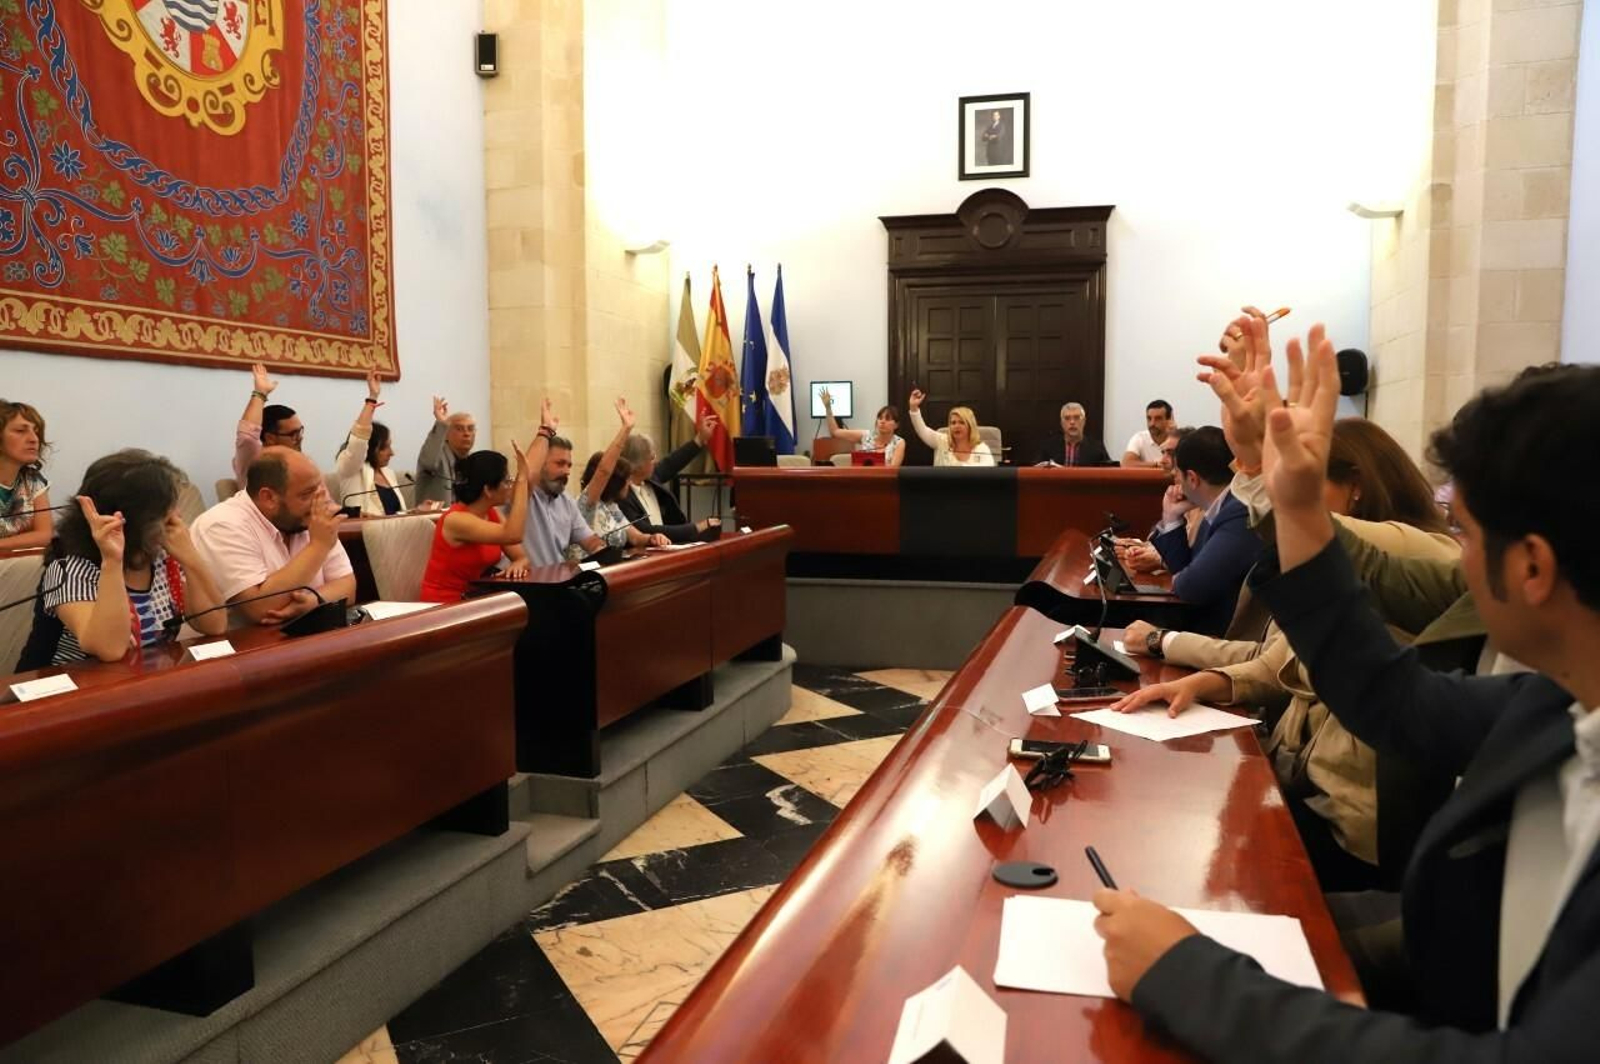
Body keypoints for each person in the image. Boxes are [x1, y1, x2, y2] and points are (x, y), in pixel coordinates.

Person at [1093, 337, 1600, 1063]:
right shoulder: (1556, 707)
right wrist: (1289, 493)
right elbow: (1389, 696)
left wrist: (1187, 973)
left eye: (1465, 534)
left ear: (1531, 567)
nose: (1457, 556)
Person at [1117, 417, 1460, 890]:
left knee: (1196, 857)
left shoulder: (1418, 550)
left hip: (1347, 821)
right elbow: (1278, 660)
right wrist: (1199, 682)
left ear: (1354, 487)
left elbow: (1313, 537)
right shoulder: (1342, 561)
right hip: (1306, 779)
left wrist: (1260, 466)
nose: (1298, 500)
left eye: (1307, 482)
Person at [17, 451, 227, 668]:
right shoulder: (68, 568)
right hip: (67, 690)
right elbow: (109, 649)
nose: (178, 517)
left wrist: (191, 558)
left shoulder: (162, 558)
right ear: (135, 518)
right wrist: (112, 560)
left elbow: (214, 625)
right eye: (167, 509)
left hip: (143, 684)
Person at [192, 448, 357, 627]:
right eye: (307, 494)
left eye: (320, 489)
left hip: (304, 639)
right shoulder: (221, 525)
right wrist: (318, 547)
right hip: (247, 647)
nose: (320, 501)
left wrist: (313, 602)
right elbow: (260, 609)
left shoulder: (306, 517)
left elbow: (347, 586)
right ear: (269, 497)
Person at [1148, 426, 1261, 635]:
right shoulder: (1219, 507)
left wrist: (1181, 579)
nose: (1176, 480)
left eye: (1177, 473)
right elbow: (1185, 569)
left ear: (1192, 478)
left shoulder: (1239, 512)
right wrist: (1172, 518)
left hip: (1224, 640)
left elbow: (1191, 587)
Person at [418, 442, 537, 602]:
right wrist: (522, 480)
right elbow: (513, 535)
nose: (510, 486)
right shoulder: (457, 520)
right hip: (444, 602)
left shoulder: (491, 512)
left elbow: (521, 556)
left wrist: (519, 564)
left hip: (473, 598)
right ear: (488, 490)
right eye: (507, 481)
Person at [233, 362, 375, 487]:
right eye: (293, 434)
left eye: (300, 431)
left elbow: (325, 505)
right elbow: (247, 437)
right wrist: (260, 393)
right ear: (270, 438)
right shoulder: (253, 461)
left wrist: (348, 515)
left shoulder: (304, 464)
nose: (300, 438)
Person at [575, 398, 671, 557]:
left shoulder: (612, 506)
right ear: (614, 481)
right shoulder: (588, 503)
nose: (629, 483)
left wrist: (652, 538)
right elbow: (603, 471)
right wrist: (625, 430)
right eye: (625, 479)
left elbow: (635, 537)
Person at [522, 403, 612, 567]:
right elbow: (526, 475)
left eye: (569, 465)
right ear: (541, 462)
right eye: (560, 463)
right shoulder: (520, 495)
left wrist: (603, 552)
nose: (566, 471)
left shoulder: (566, 501)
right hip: (526, 585)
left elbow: (588, 539)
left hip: (559, 582)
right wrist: (545, 432)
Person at [618, 414, 722, 542]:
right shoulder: (622, 495)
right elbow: (646, 530)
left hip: (671, 545)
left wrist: (700, 439)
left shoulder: (650, 478)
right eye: (652, 458)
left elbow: (672, 462)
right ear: (637, 466)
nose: (655, 462)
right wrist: (695, 528)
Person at [0, 399, 52, 548]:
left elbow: (44, 535)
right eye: (20, 431)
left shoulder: (33, 480)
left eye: (36, 432)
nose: (34, 439)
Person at [415, 395, 477, 507]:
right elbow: (428, 463)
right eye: (459, 429)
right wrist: (442, 423)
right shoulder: (436, 456)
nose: (467, 434)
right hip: (435, 520)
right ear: (446, 434)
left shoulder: (474, 461)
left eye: (470, 429)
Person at [907, 390, 995, 466]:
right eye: (953, 423)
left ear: (970, 426)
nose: (956, 426)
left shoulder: (982, 449)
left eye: (962, 422)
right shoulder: (941, 441)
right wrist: (913, 408)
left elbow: (988, 474)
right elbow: (922, 430)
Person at [821, 389, 905, 467]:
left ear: (896, 425)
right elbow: (835, 431)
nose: (882, 421)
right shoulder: (866, 436)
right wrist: (828, 408)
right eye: (880, 418)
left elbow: (893, 471)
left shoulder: (899, 442)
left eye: (887, 419)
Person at [339, 421, 406, 516]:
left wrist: (416, 511)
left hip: (395, 528)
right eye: (385, 447)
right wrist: (369, 407)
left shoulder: (389, 473)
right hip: (365, 529)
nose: (392, 453)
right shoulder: (352, 470)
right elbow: (357, 445)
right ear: (370, 448)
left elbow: (397, 513)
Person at [1036, 402, 1112, 467]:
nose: (1072, 422)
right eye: (1067, 418)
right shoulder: (1049, 447)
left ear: (1084, 421)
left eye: (1077, 418)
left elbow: (1109, 473)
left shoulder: (1096, 447)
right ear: (1062, 423)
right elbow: (1035, 471)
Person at [1121, 399, 1173, 468]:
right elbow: (1126, 464)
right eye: (1149, 418)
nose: (1152, 423)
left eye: (1158, 418)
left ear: (1169, 420)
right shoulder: (1139, 438)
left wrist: (1173, 436)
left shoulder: (1177, 439)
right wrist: (1156, 464)